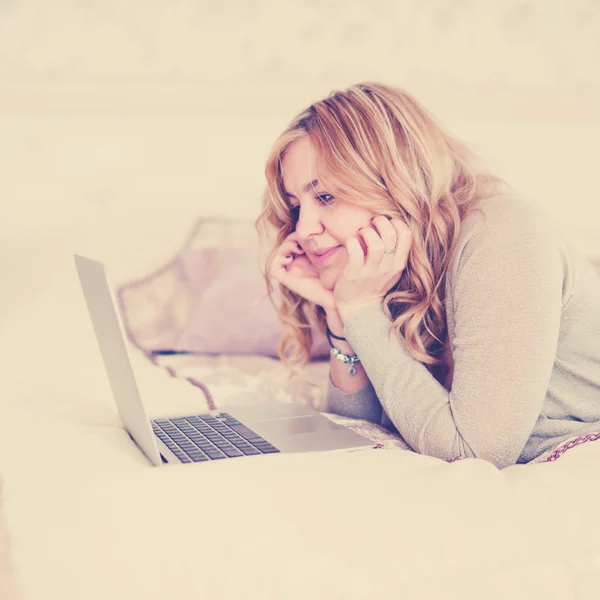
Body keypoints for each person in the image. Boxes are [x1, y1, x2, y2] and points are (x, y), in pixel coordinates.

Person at [254, 81, 600, 470]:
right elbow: (360, 428)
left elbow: (475, 453)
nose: (303, 229)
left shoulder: (504, 233)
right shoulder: (392, 267)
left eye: (327, 197)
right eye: (296, 204)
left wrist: (361, 309)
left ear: (395, 181)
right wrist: (341, 315)